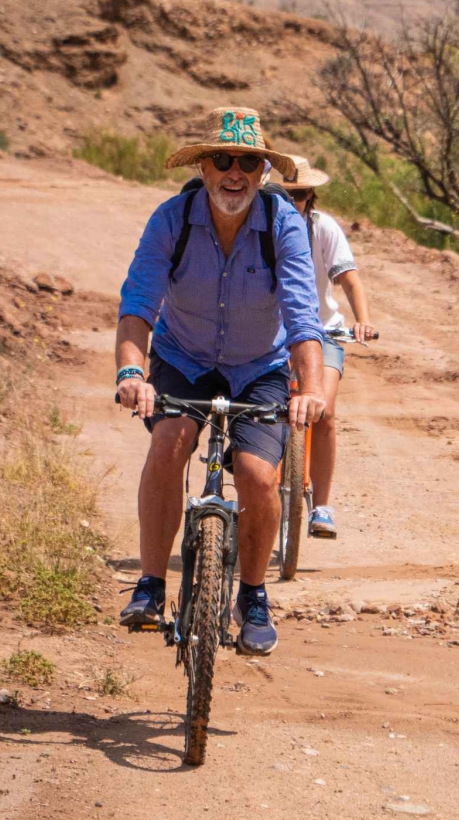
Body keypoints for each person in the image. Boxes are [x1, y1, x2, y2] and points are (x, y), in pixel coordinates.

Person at [114, 106, 328, 656]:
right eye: (223, 160)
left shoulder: (283, 224)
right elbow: (138, 304)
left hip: (259, 366)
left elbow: (303, 318)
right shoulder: (172, 219)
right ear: (203, 167)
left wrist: (311, 391)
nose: (235, 173)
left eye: (248, 163)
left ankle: (253, 596)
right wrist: (132, 372)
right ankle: (150, 584)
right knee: (170, 442)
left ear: (263, 172)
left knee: (257, 475)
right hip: (183, 357)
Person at [274, 153, 378, 539]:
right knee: (254, 412)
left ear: (311, 196)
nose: (293, 202)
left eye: (300, 195)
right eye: (284, 195)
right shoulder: (257, 228)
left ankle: (321, 506)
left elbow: (349, 279)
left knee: (325, 411)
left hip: (322, 333)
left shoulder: (323, 228)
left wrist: (362, 319)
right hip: (271, 337)